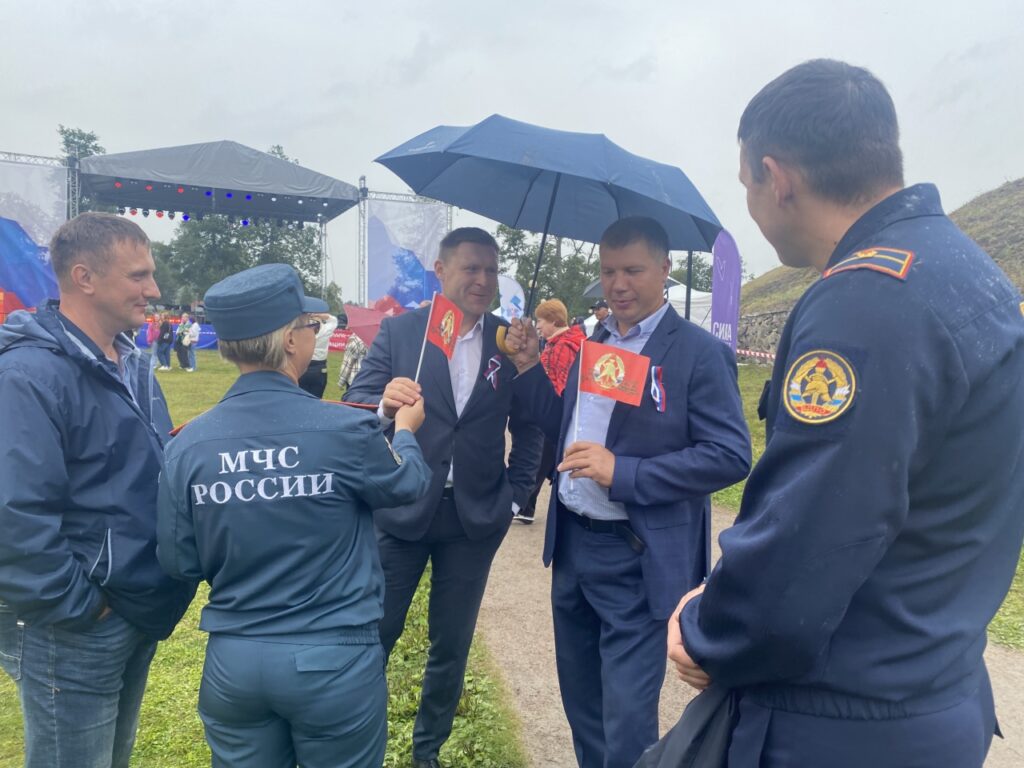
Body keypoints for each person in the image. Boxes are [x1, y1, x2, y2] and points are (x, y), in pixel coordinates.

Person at [669, 59, 1024, 768]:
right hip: (932, 686)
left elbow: (811, 537)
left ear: (776, 177)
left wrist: (706, 624)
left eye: (746, 185)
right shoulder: (969, 272)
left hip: (838, 721)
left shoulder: (865, 303)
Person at [156, 264, 430, 768]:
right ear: (288, 341)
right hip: (332, 659)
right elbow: (407, 485)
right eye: (309, 326)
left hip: (235, 662)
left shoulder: (188, 444)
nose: (313, 335)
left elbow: (179, 561)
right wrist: (407, 431)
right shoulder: (344, 429)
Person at [504, 216, 751, 768]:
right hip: (573, 548)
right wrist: (528, 366)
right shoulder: (596, 343)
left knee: (626, 723)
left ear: (664, 269)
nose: (618, 285)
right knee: (582, 706)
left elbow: (731, 454)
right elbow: (563, 429)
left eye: (633, 271)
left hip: (636, 556)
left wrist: (625, 472)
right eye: (608, 271)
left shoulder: (697, 352)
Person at [0, 212, 197, 768]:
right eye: (138, 276)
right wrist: (80, 607)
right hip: (74, 625)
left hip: (132, 606)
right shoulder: (27, 376)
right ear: (83, 277)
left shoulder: (131, 361)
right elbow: (14, 517)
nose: (153, 290)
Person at [344, 227, 543, 768]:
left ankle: (426, 752)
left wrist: (516, 494)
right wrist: (383, 404)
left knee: (450, 646)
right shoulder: (402, 332)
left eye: (491, 270)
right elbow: (356, 403)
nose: (482, 280)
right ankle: (357, 744)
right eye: (470, 268)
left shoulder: (509, 342)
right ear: (441, 271)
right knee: (374, 636)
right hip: (400, 509)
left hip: (473, 518)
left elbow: (532, 426)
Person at [516, 298, 586, 524]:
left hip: (553, 414)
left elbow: (562, 385)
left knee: (540, 462)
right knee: (544, 463)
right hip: (553, 413)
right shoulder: (561, 343)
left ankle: (524, 505)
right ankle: (526, 506)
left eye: (541, 321)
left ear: (554, 321)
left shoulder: (563, 346)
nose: (538, 325)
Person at [297, 311, 338, 398]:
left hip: (302, 366)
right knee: (316, 398)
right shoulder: (325, 329)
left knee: (301, 397)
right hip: (319, 368)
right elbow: (333, 320)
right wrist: (318, 315)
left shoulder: (302, 330)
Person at [337, 313, 369, 393]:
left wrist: (341, 382)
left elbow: (347, 364)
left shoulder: (355, 340)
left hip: (356, 380)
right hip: (369, 379)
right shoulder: (374, 337)